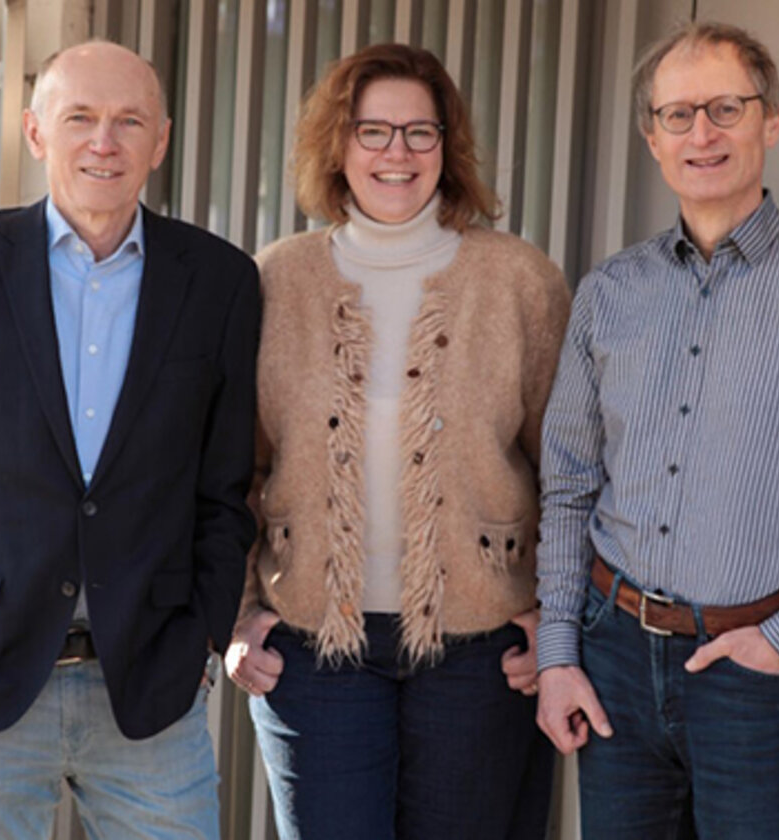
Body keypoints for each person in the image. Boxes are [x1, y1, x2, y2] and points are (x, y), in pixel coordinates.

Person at [0, 41, 259, 839]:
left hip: (150, 685)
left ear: (161, 142)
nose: (104, 142)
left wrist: (203, 641)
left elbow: (225, 489)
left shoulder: (220, 281)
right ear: (36, 133)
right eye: (80, 118)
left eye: (129, 121)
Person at [535, 21, 779, 839]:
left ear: (770, 120)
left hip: (759, 678)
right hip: (612, 665)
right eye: (677, 115)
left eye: (725, 108)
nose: (701, 133)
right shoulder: (609, 293)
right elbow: (568, 485)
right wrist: (559, 654)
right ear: (652, 138)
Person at [225, 42, 570, 840]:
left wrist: (553, 623)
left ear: (448, 147)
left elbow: (570, 471)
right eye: (372, 131)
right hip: (312, 646)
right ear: (337, 145)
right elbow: (232, 470)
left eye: (421, 132)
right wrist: (239, 614)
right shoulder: (275, 280)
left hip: (482, 650)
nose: (397, 153)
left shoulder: (520, 281)